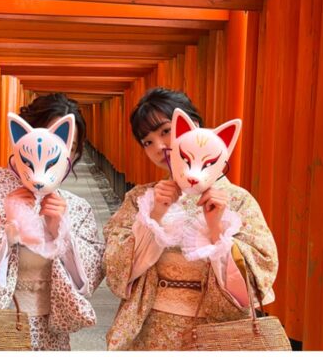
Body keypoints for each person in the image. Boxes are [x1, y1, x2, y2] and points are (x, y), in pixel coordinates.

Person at [103, 88, 278, 350]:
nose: (159, 146)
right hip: (151, 327)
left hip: (217, 331)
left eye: (165, 131)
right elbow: (116, 267)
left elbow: (259, 273)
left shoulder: (238, 200)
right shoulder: (140, 198)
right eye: (147, 141)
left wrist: (217, 229)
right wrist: (154, 216)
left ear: (193, 128)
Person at [0, 94, 105, 350]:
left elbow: (90, 278)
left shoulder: (76, 208)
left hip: (49, 332)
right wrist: (7, 233)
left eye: (66, 145)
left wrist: (62, 233)